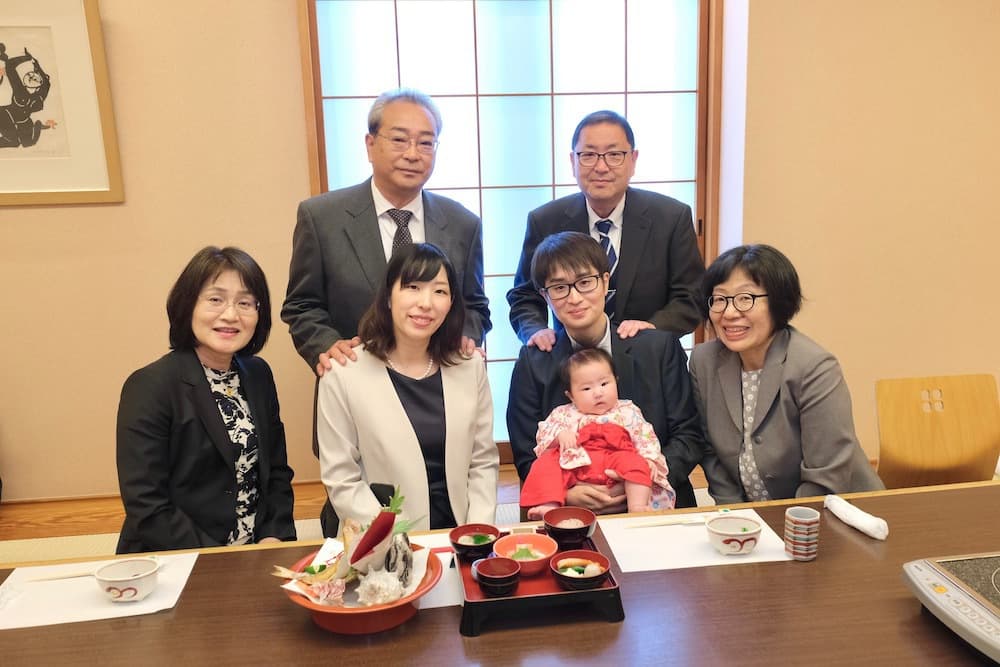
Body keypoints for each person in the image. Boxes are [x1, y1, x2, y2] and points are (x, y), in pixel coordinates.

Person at [280, 88, 491, 535]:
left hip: (438, 385)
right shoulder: (322, 217)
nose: (414, 153)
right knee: (359, 518)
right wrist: (329, 349)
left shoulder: (463, 222)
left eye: (426, 141)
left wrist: (465, 335)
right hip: (362, 395)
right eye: (399, 139)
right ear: (370, 143)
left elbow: (474, 303)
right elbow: (301, 305)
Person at [116, 247, 296, 553]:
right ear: (188, 305)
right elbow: (147, 505)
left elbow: (276, 472)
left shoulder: (258, 374)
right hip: (177, 559)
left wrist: (272, 538)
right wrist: (222, 560)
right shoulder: (150, 385)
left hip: (255, 553)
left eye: (245, 302)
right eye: (215, 299)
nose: (231, 314)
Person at [508, 231, 705, 511]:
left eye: (585, 282)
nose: (574, 298)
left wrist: (640, 482)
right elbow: (525, 451)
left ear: (604, 281)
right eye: (559, 288)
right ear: (545, 296)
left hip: (654, 505)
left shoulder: (657, 348)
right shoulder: (534, 361)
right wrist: (567, 491)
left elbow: (689, 436)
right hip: (571, 512)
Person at [317, 243, 498, 531]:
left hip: (461, 536)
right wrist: (394, 542)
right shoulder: (342, 373)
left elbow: (483, 462)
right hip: (381, 542)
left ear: (451, 303)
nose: (426, 303)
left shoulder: (469, 367)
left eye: (440, 291)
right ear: (388, 296)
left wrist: (476, 534)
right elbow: (342, 479)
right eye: (412, 287)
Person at [690, 244, 885, 504]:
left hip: (836, 513)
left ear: (778, 303)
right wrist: (735, 516)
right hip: (752, 524)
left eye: (745, 298)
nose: (729, 312)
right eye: (720, 299)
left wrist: (783, 532)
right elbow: (711, 452)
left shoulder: (814, 367)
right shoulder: (704, 362)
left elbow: (826, 476)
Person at [507, 110, 704, 352]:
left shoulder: (671, 218)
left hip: (647, 359)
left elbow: (691, 298)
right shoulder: (545, 221)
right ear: (573, 161)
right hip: (571, 362)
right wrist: (536, 329)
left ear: (633, 160)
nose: (601, 166)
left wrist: (650, 329)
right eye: (588, 155)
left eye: (614, 155)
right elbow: (524, 296)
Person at [520, 348, 674, 519]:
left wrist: (649, 458)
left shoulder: (628, 410)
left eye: (604, 384)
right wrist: (560, 435)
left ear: (616, 381)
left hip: (617, 458)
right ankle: (549, 504)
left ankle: (638, 506)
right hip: (577, 463)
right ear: (570, 395)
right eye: (586, 388)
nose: (598, 393)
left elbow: (645, 435)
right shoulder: (563, 413)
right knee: (546, 462)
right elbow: (544, 433)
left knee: (638, 464)